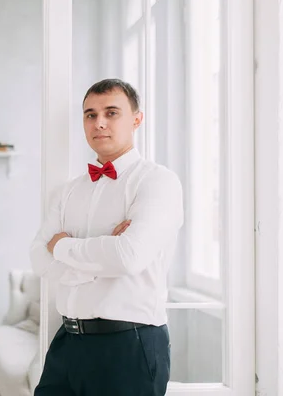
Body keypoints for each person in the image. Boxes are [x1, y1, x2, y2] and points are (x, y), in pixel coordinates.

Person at [30, 79, 183, 395]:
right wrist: (102, 256)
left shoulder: (158, 182)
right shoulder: (69, 190)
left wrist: (61, 245)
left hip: (129, 344)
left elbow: (128, 257)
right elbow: (38, 258)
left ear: (136, 119)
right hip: (67, 342)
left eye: (111, 112)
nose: (98, 122)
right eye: (90, 114)